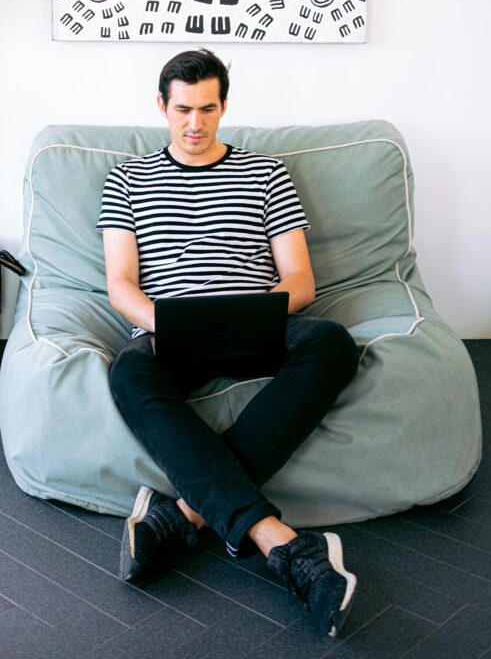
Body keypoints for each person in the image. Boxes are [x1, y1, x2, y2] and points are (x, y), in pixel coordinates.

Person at [98, 48, 360, 639]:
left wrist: (257, 309)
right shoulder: (127, 178)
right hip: (170, 329)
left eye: (208, 108)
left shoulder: (266, 172)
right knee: (128, 373)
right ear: (161, 106)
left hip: (255, 324)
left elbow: (300, 280)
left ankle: (184, 514)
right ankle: (284, 546)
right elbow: (121, 286)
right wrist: (170, 323)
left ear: (223, 107)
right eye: (183, 109)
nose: (196, 122)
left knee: (334, 343)